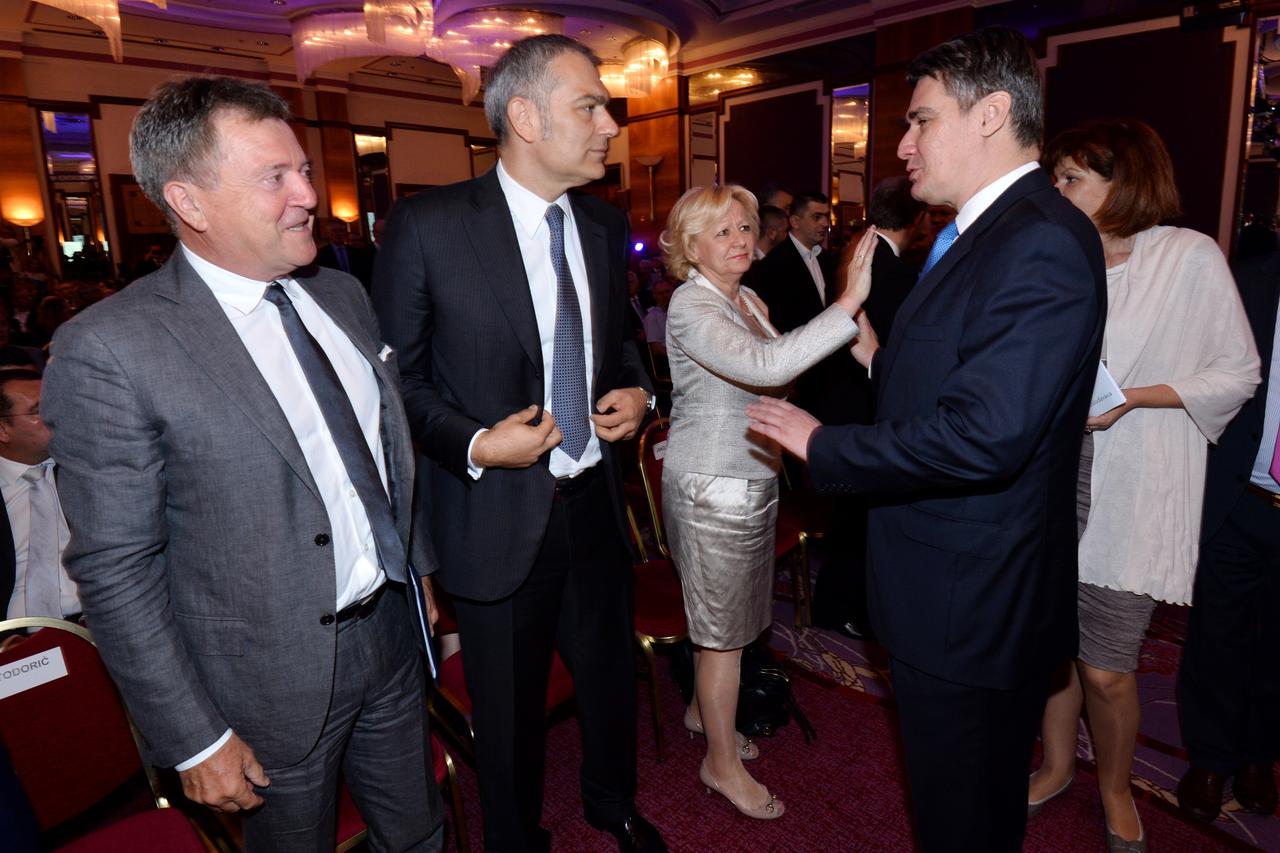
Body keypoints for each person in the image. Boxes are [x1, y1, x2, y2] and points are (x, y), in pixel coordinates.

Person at [41, 76, 443, 852]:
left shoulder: (340, 294)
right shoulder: (110, 349)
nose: (309, 195)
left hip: (389, 638)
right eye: (275, 177)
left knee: (418, 833)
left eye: (302, 169)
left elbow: (383, 457)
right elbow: (117, 567)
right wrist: (193, 736)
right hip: (259, 688)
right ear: (189, 202)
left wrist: (415, 568)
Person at [747, 27, 1107, 851]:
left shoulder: (1039, 238)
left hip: (974, 599)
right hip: (948, 583)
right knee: (958, 805)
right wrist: (882, 359)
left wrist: (823, 444)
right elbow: (966, 379)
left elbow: (985, 436)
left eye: (919, 120)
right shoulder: (985, 231)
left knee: (964, 819)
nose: (902, 145)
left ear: (991, 113)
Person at [372, 35, 664, 853]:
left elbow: (621, 345)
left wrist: (640, 391)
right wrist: (472, 443)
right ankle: (513, 837)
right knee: (506, 709)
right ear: (526, 117)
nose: (610, 124)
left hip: (596, 503)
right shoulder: (429, 226)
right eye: (590, 106)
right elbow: (396, 383)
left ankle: (613, 804)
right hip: (493, 512)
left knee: (609, 679)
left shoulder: (604, 225)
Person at [1023, 119, 1259, 850]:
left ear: (1121, 183)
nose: (1055, 190)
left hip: (1132, 477)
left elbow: (1237, 370)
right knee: (1050, 647)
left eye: (1071, 179)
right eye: (1055, 177)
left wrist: (1135, 396)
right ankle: (1058, 763)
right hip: (1049, 476)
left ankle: (1116, 785)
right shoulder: (1054, 256)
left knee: (1109, 667)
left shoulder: (1185, 256)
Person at [660, 183, 875, 820]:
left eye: (745, 228)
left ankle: (704, 713)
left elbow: (778, 367)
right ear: (689, 245)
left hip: (750, 478)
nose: (739, 240)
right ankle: (719, 764)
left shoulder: (747, 297)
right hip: (710, 487)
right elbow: (765, 367)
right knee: (722, 635)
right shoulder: (688, 307)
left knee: (737, 619)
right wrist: (849, 305)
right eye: (721, 231)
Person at [1177, 248, 1280, 824]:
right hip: (1239, 496)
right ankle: (1211, 759)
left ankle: (1261, 757)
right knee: (1217, 633)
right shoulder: (1246, 281)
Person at [811, 175, 926, 641]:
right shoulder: (888, 268)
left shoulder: (858, 251)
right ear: (916, 218)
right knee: (858, 518)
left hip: (845, 396)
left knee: (852, 516)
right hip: (862, 400)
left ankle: (839, 605)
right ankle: (844, 607)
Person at [0, 370, 81, 643]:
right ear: (3, 430)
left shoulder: (89, 472)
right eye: (38, 409)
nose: (55, 414)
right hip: (16, 642)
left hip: (98, 625)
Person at [316, 218, 375, 291]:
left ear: (345, 232)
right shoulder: (322, 254)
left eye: (341, 231)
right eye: (334, 231)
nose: (338, 234)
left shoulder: (356, 252)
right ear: (328, 233)